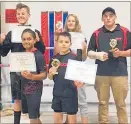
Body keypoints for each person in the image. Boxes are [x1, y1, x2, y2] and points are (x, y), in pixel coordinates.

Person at [0, 3, 45, 124]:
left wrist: (39, 41)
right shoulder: (11, 33)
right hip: (16, 72)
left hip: (32, 71)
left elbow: (42, 50)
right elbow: (3, 53)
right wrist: (1, 42)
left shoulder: (35, 32)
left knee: (33, 97)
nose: (20, 16)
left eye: (23, 13)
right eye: (18, 14)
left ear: (28, 15)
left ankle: (35, 119)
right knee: (17, 99)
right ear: (16, 16)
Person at [87, 7, 131, 124]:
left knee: (121, 104)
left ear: (115, 17)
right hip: (101, 74)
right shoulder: (96, 33)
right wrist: (98, 55)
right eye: (105, 16)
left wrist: (121, 53)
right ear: (102, 18)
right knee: (102, 103)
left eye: (110, 15)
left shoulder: (125, 32)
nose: (108, 18)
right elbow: (89, 53)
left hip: (120, 74)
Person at [48, 32, 84, 124]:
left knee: (72, 120)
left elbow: (81, 78)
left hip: (70, 94)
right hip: (57, 93)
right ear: (57, 43)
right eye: (61, 42)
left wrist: (80, 83)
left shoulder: (75, 58)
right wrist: (51, 73)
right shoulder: (54, 59)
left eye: (66, 42)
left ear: (70, 44)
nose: (63, 44)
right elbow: (50, 77)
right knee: (57, 120)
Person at [64, 14, 88, 124]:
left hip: (79, 68)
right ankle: (68, 121)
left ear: (76, 23)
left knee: (82, 98)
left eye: (73, 21)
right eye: (69, 20)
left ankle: (84, 121)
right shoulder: (63, 37)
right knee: (68, 97)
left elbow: (84, 58)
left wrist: (84, 49)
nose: (71, 22)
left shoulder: (82, 37)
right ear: (66, 23)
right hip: (67, 68)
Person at [20, 28, 47, 124]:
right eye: (24, 39)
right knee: (33, 116)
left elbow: (44, 75)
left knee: (32, 118)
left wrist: (32, 76)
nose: (26, 41)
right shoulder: (21, 55)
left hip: (34, 90)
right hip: (24, 90)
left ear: (35, 40)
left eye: (29, 39)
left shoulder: (39, 55)